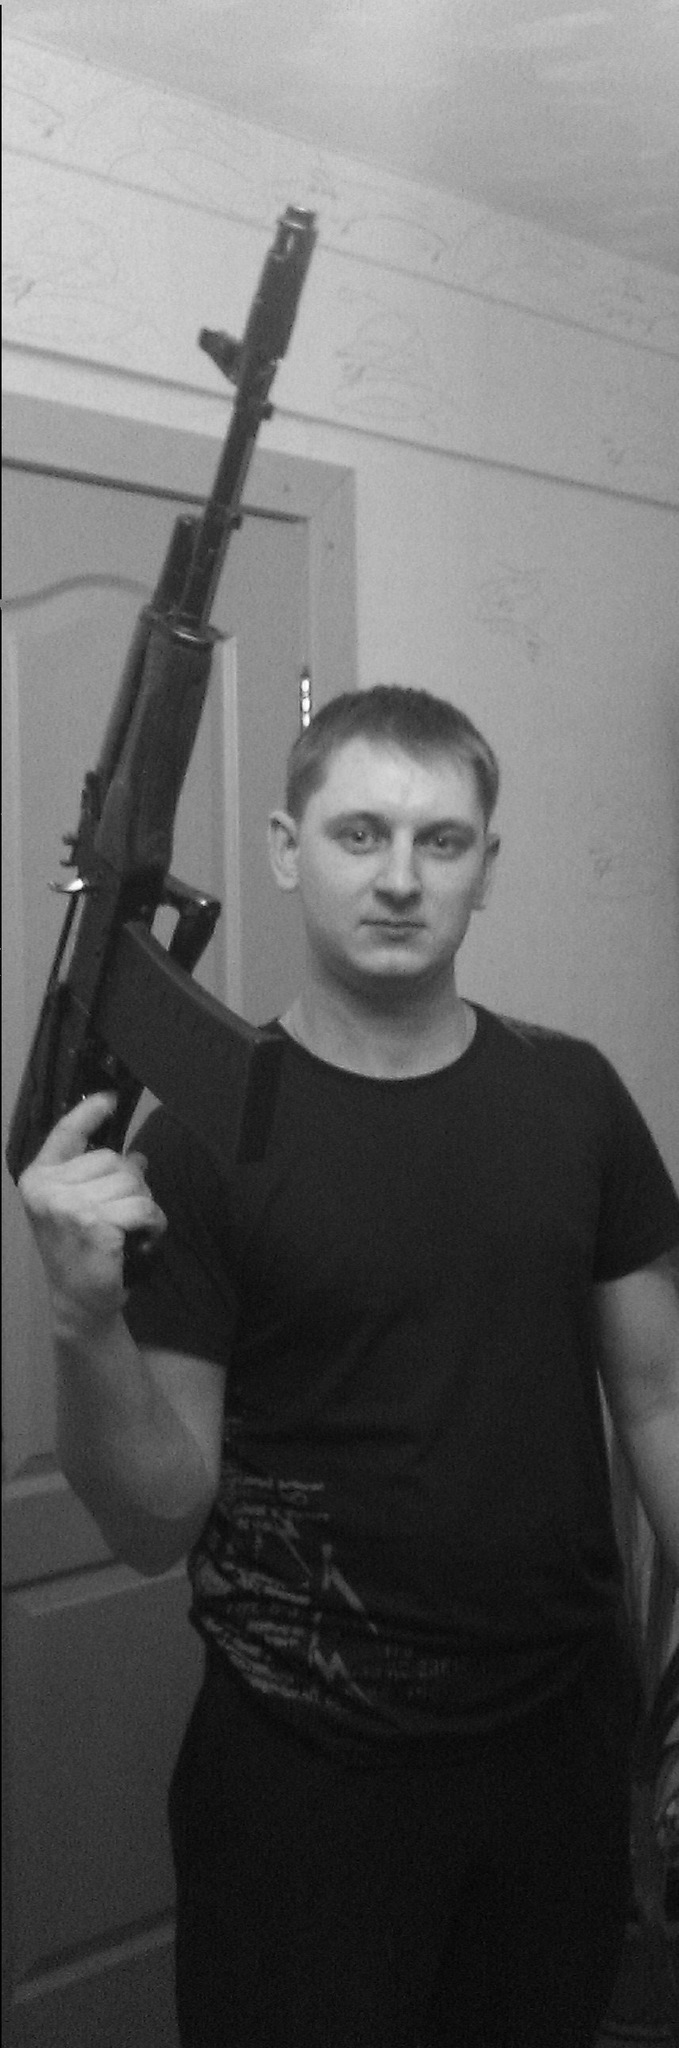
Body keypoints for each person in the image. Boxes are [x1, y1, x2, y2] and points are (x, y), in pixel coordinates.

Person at [19, 686, 679, 2048]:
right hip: (301, 1785)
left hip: (557, 1749)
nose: (399, 877)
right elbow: (152, 1523)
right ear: (286, 847)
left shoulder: (578, 1099)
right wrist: (83, 1324)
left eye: (442, 841)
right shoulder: (199, 1142)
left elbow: (662, 1402)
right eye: (360, 832)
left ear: (488, 866)